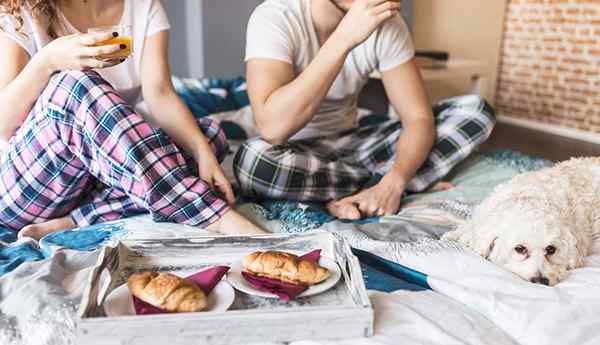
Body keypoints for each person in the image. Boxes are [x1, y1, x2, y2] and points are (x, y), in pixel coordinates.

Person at [0, 0, 267, 239]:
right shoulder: (22, 11)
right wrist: (47, 61)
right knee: (75, 82)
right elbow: (3, 123)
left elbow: (160, 93)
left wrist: (200, 150)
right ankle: (213, 216)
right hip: (28, 185)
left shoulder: (143, 6)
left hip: (98, 176)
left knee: (208, 137)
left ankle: (80, 218)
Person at [235, 0, 496, 220]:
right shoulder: (275, 16)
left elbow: (417, 118)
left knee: (476, 110)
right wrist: (344, 38)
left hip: (355, 145)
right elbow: (273, 127)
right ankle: (393, 185)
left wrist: (395, 180)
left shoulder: (388, 25)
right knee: (253, 161)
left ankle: (377, 189)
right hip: (291, 152)